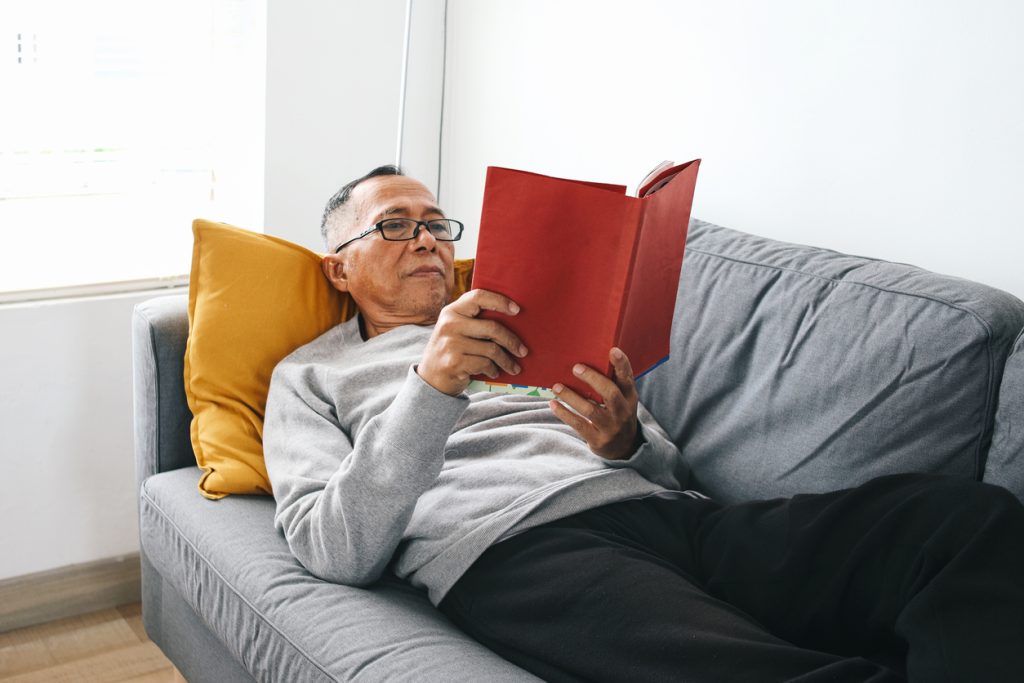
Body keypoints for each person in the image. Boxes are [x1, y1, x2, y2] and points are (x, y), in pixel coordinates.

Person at [263, 165, 1024, 682]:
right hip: (519, 548)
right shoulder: (310, 376)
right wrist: (432, 385)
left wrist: (626, 441)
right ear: (339, 266)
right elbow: (334, 548)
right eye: (396, 226)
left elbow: (669, 469)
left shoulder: (526, 316)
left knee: (964, 522)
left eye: (437, 223)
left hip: (676, 519)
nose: (429, 238)